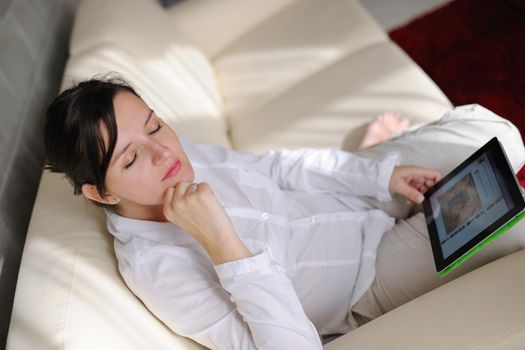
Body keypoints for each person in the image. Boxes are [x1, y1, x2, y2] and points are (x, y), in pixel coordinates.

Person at [42, 78, 520, 349]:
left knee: (502, 136)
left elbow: (276, 167)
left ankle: (375, 154)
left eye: (155, 126)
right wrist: (224, 246)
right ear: (100, 193)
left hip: (357, 197)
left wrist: (380, 177)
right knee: (512, 230)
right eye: (129, 158)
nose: (161, 152)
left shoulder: (173, 156)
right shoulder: (158, 271)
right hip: (369, 273)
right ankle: (379, 155)